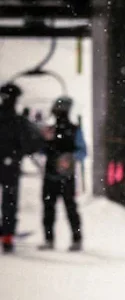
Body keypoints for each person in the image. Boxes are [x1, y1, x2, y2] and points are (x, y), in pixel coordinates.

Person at [38, 96, 86, 252]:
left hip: (65, 176)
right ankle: (50, 238)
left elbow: (82, 151)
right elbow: (41, 149)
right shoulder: (53, 129)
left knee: (68, 207)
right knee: (51, 208)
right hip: (53, 174)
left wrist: (69, 158)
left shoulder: (73, 129)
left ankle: (74, 239)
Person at [0, 82, 44, 253]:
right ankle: (8, 237)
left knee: (9, 202)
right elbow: (33, 142)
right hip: (11, 167)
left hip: (8, 163)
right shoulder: (19, 122)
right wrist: (18, 153)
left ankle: (7, 234)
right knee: (10, 203)